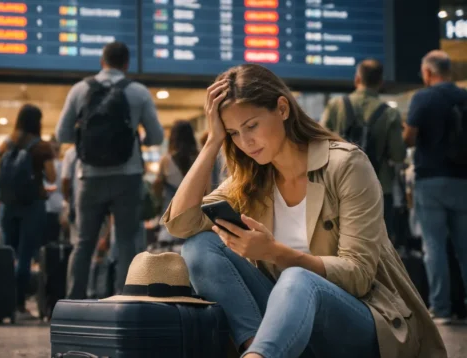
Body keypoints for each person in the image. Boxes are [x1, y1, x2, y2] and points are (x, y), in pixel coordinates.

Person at [162, 64, 446, 358]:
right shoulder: (251, 180)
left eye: (251, 126)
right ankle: (257, 350)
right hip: (287, 327)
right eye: (233, 133)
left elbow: (359, 275)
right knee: (199, 245)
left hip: (360, 320)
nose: (245, 142)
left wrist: (275, 252)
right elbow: (181, 224)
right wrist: (212, 142)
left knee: (297, 278)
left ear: (282, 109)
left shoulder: (346, 165)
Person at [56, 41, 164, 298]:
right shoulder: (138, 91)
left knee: (84, 243)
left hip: (89, 176)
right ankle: (125, 300)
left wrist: (85, 140)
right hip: (128, 176)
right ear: (126, 64)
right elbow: (157, 136)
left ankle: (73, 302)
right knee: (126, 242)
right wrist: (139, 140)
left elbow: (62, 134)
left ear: (101, 62)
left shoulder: (80, 89)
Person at [403, 50, 467, 325]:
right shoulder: (464, 96)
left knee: (434, 246)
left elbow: (409, 138)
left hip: (430, 180)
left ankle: (440, 308)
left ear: (428, 73)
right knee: (465, 246)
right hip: (463, 180)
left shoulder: (423, 97)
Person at [321, 59, 406, 243]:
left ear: (357, 79)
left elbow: (318, 143)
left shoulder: (336, 105)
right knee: (380, 245)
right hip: (380, 188)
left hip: (339, 186)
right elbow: (398, 154)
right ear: (380, 82)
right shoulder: (389, 113)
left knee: (340, 244)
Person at [0, 104, 56, 319]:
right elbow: (51, 177)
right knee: (25, 256)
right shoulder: (41, 146)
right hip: (32, 205)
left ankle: (5, 304)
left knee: (8, 256)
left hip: (8, 206)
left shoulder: (6, 144)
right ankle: (20, 305)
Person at [153, 120, 200, 243]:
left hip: (171, 215)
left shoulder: (166, 161)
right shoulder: (200, 158)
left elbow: (158, 186)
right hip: (196, 214)